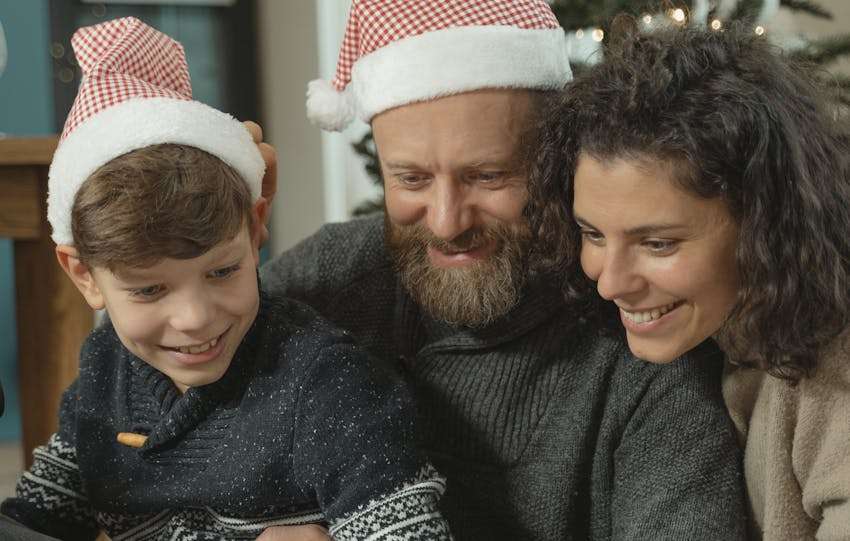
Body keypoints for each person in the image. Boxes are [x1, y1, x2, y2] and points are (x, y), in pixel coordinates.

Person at [258, 1, 747, 539]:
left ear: (556, 163)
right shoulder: (329, 283)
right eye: (412, 179)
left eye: (487, 176)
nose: (446, 223)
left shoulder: (642, 332)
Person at [0, 18, 452, 541]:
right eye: (149, 289)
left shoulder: (332, 389)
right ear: (84, 274)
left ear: (256, 227)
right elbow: (29, 521)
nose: (196, 318)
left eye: (222, 271)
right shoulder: (104, 373)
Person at [529, 18, 850, 541]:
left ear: (764, 224)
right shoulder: (725, 336)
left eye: (658, 243)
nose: (610, 283)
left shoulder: (836, 382)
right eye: (593, 233)